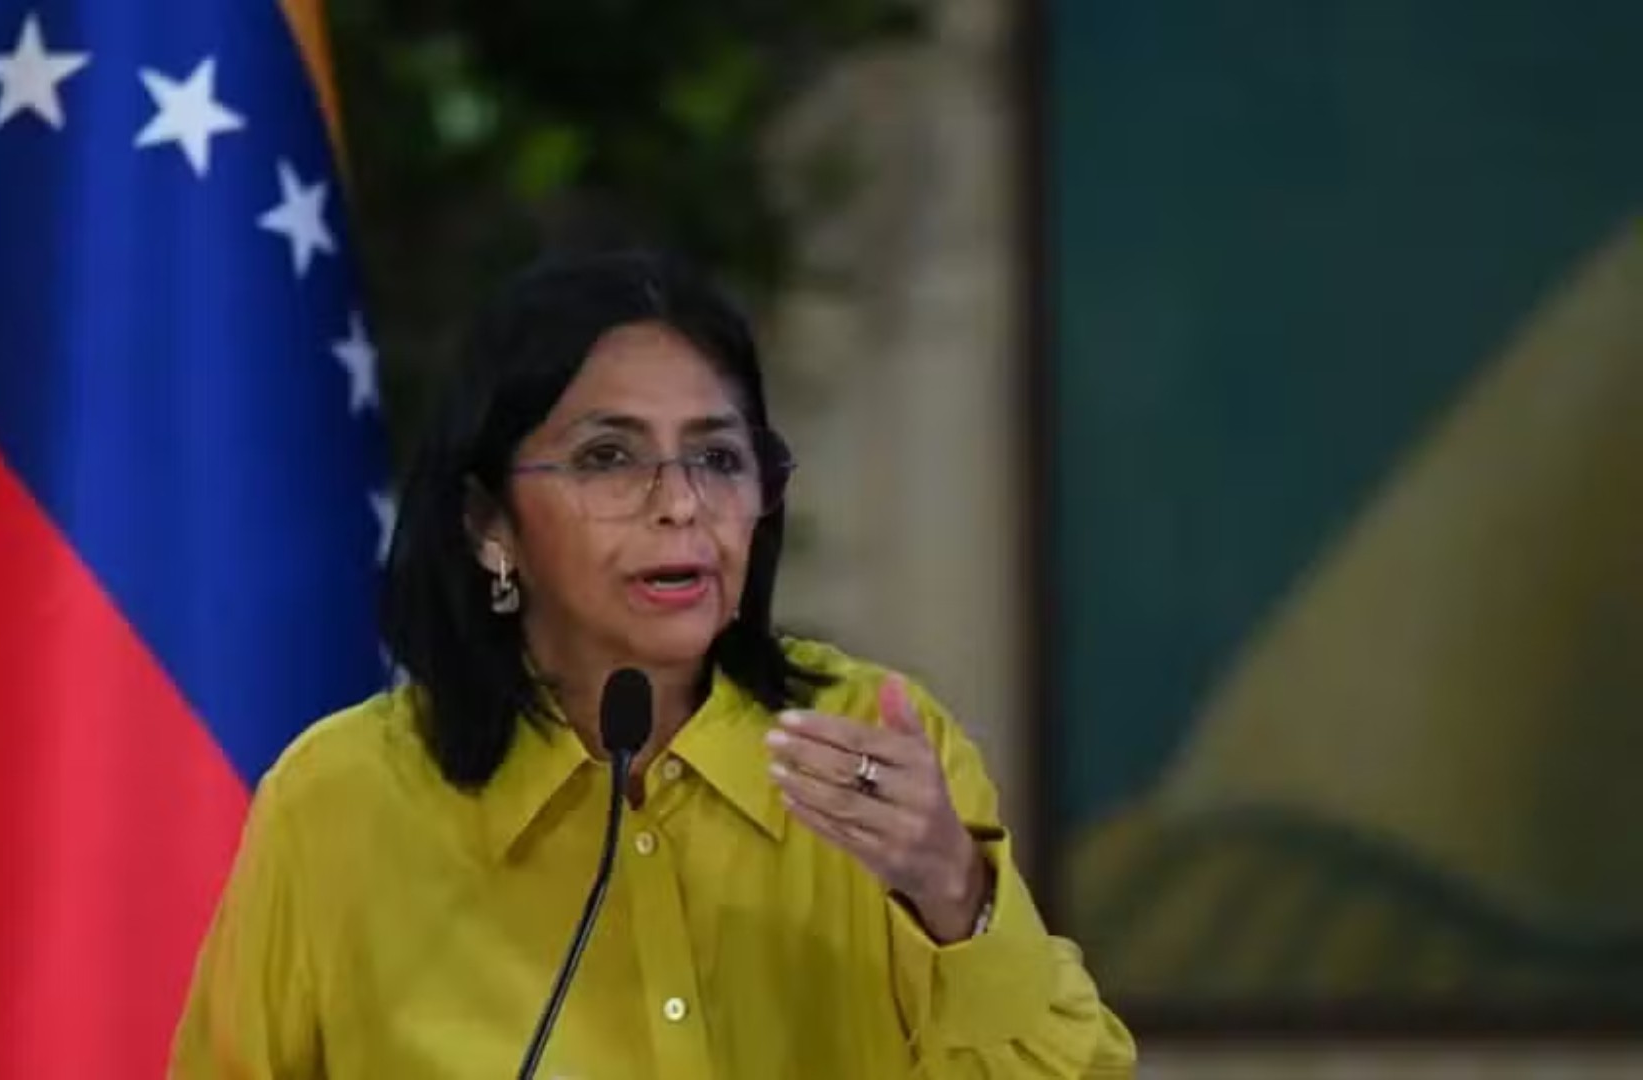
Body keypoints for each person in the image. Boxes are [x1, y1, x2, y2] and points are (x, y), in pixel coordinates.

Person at [169, 251, 1136, 1078]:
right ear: (489, 523)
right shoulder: (342, 805)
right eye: (608, 458)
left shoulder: (874, 748)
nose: (681, 505)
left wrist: (954, 893)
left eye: (717, 459)